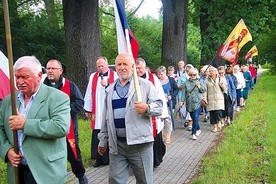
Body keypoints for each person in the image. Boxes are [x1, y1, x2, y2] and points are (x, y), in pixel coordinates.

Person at [0, 56, 70, 184]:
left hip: (45, 172)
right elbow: (0, 129)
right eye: (17, 77)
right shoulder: (8, 100)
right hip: (17, 170)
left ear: (39, 75)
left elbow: (61, 127)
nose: (20, 81)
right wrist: (7, 150)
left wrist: (25, 124)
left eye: (25, 77)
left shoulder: (57, 97)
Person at [97, 54, 163, 184]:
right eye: (119, 65)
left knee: (144, 181)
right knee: (115, 181)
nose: (121, 68)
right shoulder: (110, 89)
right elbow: (106, 118)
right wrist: (103, 140)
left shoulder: (145, 85)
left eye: (125, 64)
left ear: (132, 67)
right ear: (115, 67)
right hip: (117, 146)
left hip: (140, 145)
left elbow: (159, 107)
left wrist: (148, 108)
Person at [44, 59, 88, 184]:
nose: (50, 71)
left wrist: (64, 112)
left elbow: (79, 103)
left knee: (74, 155)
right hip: (49, 128)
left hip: (68, 130)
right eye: (48, 68)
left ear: (60, 70)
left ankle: (81, 176)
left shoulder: (70, 85)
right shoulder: (41, 87)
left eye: (53, 68)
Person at [84, 56, 117, 167]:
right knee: (97, 133)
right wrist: (87, 108)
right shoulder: (93, 76)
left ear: (107, 65)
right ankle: (98, 158)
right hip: (97, 110)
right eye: (98, 66)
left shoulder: (115, 75)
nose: (101, 68)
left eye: (102, 66)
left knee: (109, 132)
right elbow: (89, 92)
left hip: (109, 109)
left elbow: (117, 90)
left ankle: (109, 158)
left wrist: (107, 84)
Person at [136, 57, 168, 167]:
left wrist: (162, 114)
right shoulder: (132, 80)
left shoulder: (153, 79)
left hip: (153, 114)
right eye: (135, 68)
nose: (137, 70)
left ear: (145, 68)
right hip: (138, 116)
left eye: (139, 68)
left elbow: (160, 96)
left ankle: (155, 161)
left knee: (155, 140)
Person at [156, 66, 179, 144]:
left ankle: (168, 136)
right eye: (158, 74)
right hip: (160, 103)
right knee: (160, 119)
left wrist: (171, 96)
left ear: (165, 73)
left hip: (169, 103)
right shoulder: (157, 81)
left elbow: (176, 89)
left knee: (168, 119)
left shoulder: (171, 80)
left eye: (161, 74)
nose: (160, 76)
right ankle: (162, 133)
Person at [182, 68, 206, 140]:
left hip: (198, 102)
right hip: (189, 103)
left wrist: (199, 86)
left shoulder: (200, 81)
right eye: (191, 75)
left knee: (195, 117)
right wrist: (182, 101)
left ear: (196, 75)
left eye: (194, 75)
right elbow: (184, 92)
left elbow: (203, 90)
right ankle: (198, 129)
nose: (192, 76)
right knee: (193, 118)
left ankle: (193, 133)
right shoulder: (186, 82)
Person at [204, 66, 227, 132]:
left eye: (212, 71)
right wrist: (205, 98)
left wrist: (222, 85)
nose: (211, 72)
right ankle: (215, 127)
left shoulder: (220, 79)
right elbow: (205, 91)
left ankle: (219, 122)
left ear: (216, 72)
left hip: (219, 99)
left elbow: (225, 89)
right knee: (212, 114)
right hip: (210, 99)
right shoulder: (206, 80)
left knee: (219, 112)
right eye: (210, 71)